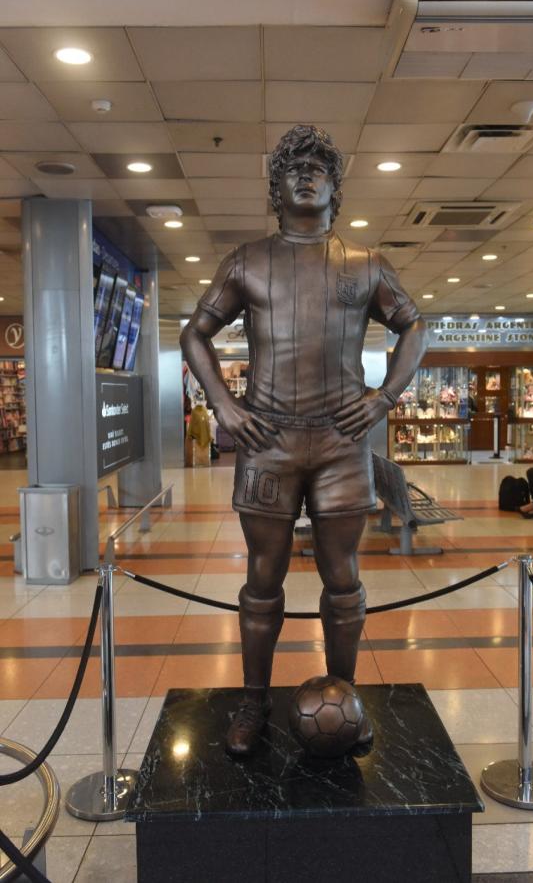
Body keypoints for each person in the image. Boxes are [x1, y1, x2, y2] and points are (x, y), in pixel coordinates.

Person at [180, 124, 426, 755]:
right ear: (276, 188)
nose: (307, 174)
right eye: (294, 168)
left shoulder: (365, 263)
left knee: (342, 578)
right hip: (267, 440)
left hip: (343, 443)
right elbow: (194, 335)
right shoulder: (247, 260)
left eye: (319, 167)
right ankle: (253, 703)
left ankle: (342, 700)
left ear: (336, 189)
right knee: (263, 579)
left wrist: (385, 396)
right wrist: (224, 405)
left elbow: (414, 325)